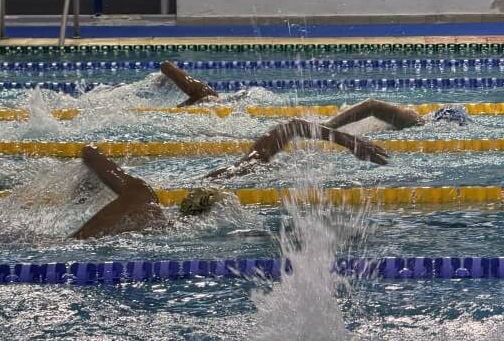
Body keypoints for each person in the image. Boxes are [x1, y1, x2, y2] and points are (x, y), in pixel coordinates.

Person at [71, 119, 388, 239]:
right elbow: (291, 128)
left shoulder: (154, 211)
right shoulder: (240, 173)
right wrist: (350, 142)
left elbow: (89, 151)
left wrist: (350, 142)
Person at [158, 61, 469, 126]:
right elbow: (372, 105)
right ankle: (171, 72)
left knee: (211, 102)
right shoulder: (414, 120)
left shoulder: (417, 123)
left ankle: (176, 82)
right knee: (210, 100)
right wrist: (328, 128)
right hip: (316, 124)